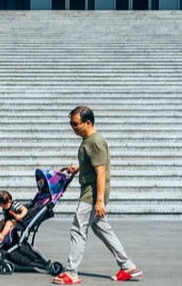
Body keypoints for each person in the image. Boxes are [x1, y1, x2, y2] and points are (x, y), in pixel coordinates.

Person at [51, 106, 142, 285]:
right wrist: (78, 167)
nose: (73, 128)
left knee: (78, 229)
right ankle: (127, 266)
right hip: (92, 191)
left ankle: (71, 273)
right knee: (102, 229)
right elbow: (93, 165)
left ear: (88, 122)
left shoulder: (95, 142)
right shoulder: (88, 140)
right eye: (71, 124)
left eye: (75, 124)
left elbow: (101, 172)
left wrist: (99, 200)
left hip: (92, 194)